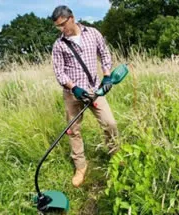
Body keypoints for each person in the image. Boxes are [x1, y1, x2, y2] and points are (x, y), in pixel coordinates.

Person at [51, 5, 118, 187]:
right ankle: (80, 166)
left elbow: (105, 54)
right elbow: (59, 73)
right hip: (73, 94)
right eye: (58, 27)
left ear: (71, 18)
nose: (61, 29)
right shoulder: (59, 45)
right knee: (73, 131)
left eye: (63, 24)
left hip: (95, 90)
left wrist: (106, 76)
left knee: (110, 123)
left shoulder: (93, 33)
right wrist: (74, 88)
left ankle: (116, 156)